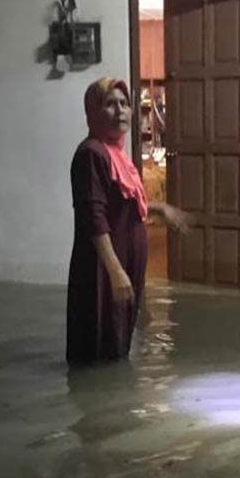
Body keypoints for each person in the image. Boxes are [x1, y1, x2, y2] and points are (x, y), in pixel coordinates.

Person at [67, 78, 187, 365]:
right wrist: (115, 272)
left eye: (124, 103)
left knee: (116, 343)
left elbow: (120, 205)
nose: (120, 110)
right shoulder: (91, 155)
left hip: (120, 268)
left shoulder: (115, 154)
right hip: (102, 272)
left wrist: (158, 208)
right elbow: (94, 217)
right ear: (92, 113)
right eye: (110, 104)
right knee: (99, 349)